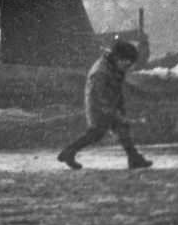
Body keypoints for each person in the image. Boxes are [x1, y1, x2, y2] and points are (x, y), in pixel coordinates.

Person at [57, 37, 153, 170]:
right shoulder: (100, 73)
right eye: (127, 64)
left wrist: (119, 109)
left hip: (111, 100)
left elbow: (116, 87)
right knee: (96, 132)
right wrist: (116, 114)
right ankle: (69, 151)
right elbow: (101, 98)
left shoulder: (114, 64)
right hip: (98, 104)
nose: (128, 67)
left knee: (121, 129)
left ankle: (134, 157)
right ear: (119, 58)